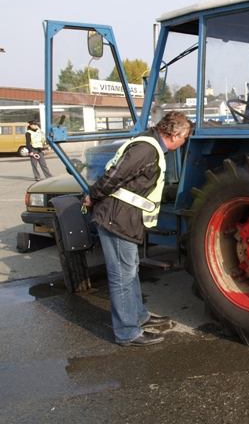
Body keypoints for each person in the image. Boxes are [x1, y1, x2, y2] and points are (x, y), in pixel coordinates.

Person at [83, 111, 191, 347]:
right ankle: (127, 332)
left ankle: (138, 316)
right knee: (122, 276)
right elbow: (113, 176)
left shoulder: (151, 146)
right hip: (116, 218)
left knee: (129, 271)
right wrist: (91, 197)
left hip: (125, 218)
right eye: (185, 138)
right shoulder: (146, 150)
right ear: (174, 135)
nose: (184, 143)